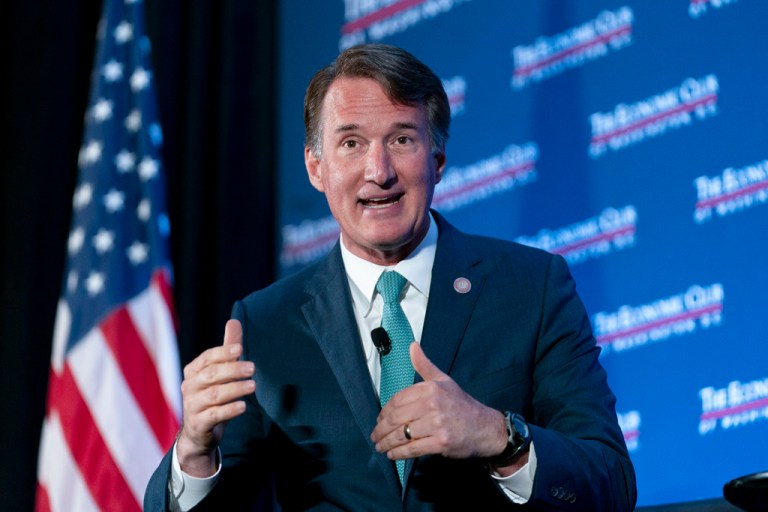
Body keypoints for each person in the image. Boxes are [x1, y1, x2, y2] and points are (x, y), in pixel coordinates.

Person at [145, 43, 637, 511]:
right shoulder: (265, 324)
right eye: (351, 143)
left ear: (437, 160)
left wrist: (497, 434)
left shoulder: (533, 286)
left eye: (402, 139)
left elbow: (611, 483)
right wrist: (194, 451)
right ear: (316, 168)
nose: (378, 171)